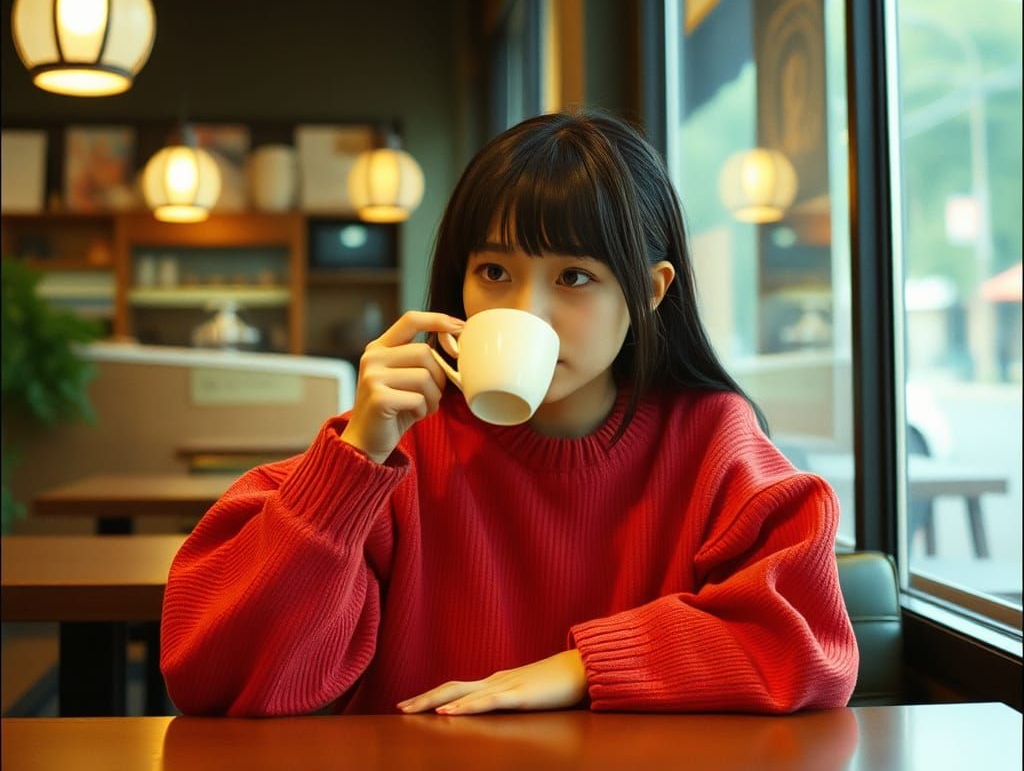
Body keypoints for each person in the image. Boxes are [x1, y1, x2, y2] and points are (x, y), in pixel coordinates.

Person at [160, 112, 858, 717]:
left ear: (650, 291)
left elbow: (809, 642)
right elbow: (212, 677)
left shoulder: (710, 439)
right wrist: (353, 462)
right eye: (495, 272)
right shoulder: (397, 448)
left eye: (573, 277)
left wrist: (578, 668)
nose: (525, 310)